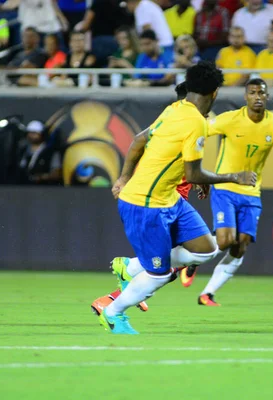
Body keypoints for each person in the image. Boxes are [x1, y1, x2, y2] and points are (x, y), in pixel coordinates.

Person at [96, 61, 257, 334]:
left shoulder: (176, 108)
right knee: (158, 276)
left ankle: (131, 267)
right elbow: (193, 175)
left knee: (206, 249)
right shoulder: (196, 122)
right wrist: (233, 176)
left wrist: (123, 177)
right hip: (145, 205)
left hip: (169, 198)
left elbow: (138, 140)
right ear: (215, 92)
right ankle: (113, 313)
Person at [90, 81, 208, 316]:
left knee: (167, 268)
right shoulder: (183, 122)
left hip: (169, 199)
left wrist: (198, 178)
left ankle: (122, 289)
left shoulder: (171, 121)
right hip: (161, 202)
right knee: (164, 268)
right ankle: (118, 289)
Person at [189, 78, 273, 306]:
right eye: (253, 92)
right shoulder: (230, 119)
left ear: (267, 97)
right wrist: (196, 171)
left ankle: (207, 293)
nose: (258, 97)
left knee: (242, 243)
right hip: (225, 187)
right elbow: (199, 133)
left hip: (251, 192)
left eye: (262, 93)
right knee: (226, 240)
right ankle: (191, 259)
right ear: (245, 97)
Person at [17, 120, 63, 185]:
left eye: (35, 133)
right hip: (21, 188)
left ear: (42, 134)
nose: (31, 135)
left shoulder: (51, 153)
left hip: (43, 189)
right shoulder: (22, 151)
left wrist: (41, 177)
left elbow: (57, 173)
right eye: (29, 133)